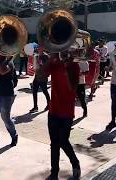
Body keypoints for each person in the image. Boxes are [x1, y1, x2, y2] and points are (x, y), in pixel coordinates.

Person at [45, 52, 81, 180]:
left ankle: (75, 163)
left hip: (66, 112)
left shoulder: (74, 66)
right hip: (53, 110)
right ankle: (54, 173)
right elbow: (41, 76)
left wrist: (67, 65)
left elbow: (72, 87)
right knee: (54, 143)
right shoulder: (54, 63)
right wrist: (50, 59)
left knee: (63, 141)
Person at [29, 46, 50, 113]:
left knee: (45, 91)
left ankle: (49, 105)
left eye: (40, 48)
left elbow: (46, 66)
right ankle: (35, 107)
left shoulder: (46, 57)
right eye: (38, 48)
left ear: (43, 49)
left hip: (43, 77)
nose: (38, 49)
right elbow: (35, 66)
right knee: (34, 91)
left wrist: (39, 62)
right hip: (37, 76)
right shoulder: (36, 56)